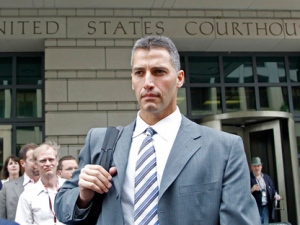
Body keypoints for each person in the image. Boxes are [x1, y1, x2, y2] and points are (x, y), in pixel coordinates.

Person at [54, 35, 261, 225]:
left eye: (159, 72)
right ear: (132, 80)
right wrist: (83, 197)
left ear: (179, 78)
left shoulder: (224, 148)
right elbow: (63, 208)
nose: (148, 83)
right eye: (139, 73)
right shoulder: (100, 141)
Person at [15, 141, 66, 225]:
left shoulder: (70, 189)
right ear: (36, 164)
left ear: (57, 161)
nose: (48, 164)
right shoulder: (27, 195)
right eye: (43, 161)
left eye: (51, 159)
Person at [0, 143, 39, 221]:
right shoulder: (7, 188)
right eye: (33, 160)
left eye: (39, 159)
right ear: (22, 163)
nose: (37, 163)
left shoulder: (51, 185)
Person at [250, 156, 282, 224]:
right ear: (251, 167)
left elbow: (272, 189)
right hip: (254, 208)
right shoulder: (249, 178)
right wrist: (252, 189)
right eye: (255, 166)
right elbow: (243, 193)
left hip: (265, 207)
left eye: (258, 166)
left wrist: (276, 195)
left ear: (261, 166)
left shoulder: (266, 178)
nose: (257, 168)